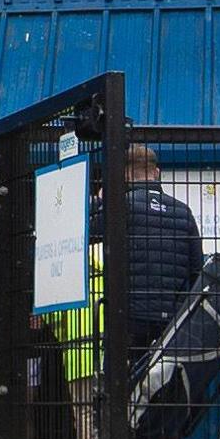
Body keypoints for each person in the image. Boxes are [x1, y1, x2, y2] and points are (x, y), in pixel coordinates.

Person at [91, 145, 205, 359]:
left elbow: (89, 232)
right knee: (163, 378)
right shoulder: (182, 211)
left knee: (125, 380)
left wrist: (99, 201)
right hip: (172, 318)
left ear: (123, 173)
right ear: (157, 172)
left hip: (129, 314)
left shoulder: (120, 205)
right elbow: (196, 269)